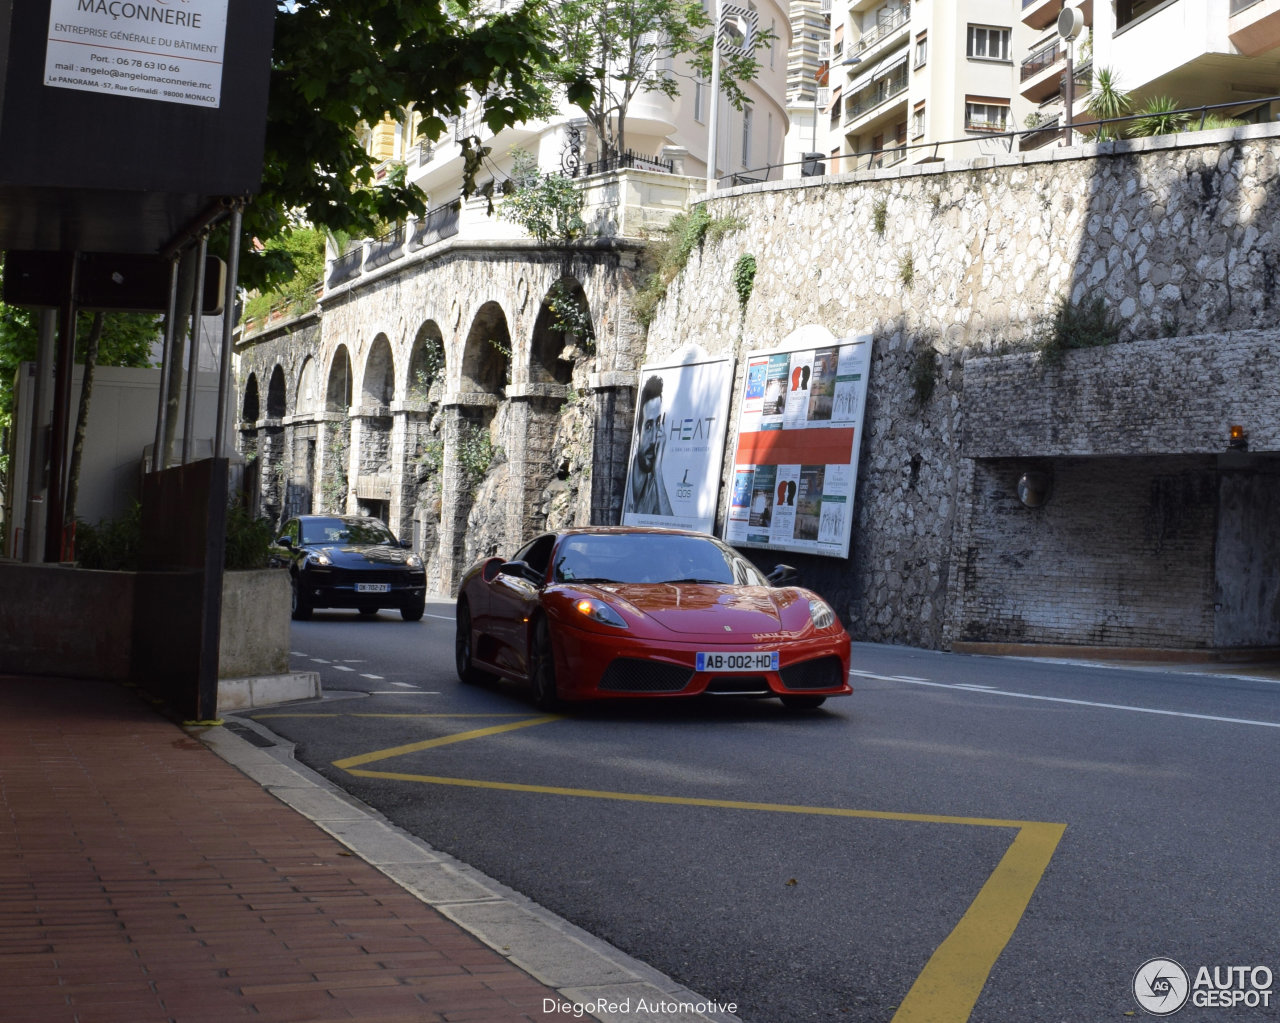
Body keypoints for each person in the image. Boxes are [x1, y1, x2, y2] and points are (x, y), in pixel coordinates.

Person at [624, 374, 674, 516]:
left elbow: (673, 531)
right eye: (648, 426)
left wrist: (658, 471)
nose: (653, 440)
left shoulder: (656, 486)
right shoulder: (624, 485)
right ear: (638, 430)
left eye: (657, 423)